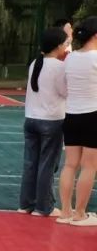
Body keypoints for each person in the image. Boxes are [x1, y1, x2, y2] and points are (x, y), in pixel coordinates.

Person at [18, 27, 69, 217]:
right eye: (65, 44)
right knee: (47, 165)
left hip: (31, 118)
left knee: (30, 163)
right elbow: (64, 92)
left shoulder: (35, 63)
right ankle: (44, 206)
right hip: (52, 120)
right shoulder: (59, 67)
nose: (67, 47)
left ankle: (26, 204)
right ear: (58, 46)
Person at [57, 15, 97, 226]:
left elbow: (63, 87)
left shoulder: (70, 58)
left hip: (71, 115)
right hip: (93, 115)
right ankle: (80, 213)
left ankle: (65, 211)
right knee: (89, 166)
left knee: (70, 164)